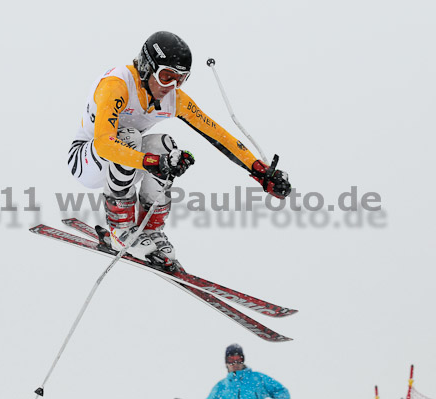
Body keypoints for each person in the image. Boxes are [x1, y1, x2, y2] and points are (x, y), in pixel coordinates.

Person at [68, 31, 291, 264]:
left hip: (124, 166)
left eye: (181, 79)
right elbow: (104, 144)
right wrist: (153, 163)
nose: (172, 86)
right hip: (87, 160)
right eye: (166, 76)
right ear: (147, 66)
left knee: (165, 145)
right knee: (130, 137)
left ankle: (149, 229)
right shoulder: (117, 85)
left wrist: (259, 170)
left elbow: (217, 134)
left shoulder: (174, 98)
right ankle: (120, 229)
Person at [207, 343, 290, 399]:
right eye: (231, 360)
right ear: (226, 363)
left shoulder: (258, 378)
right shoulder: (221, 386)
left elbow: (281, 391)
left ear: (243, 360)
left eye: (238, 359)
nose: (235, 363)